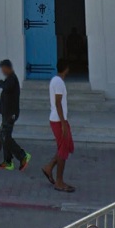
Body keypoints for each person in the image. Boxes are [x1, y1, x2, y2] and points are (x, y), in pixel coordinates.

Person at [41, 61, 75, 192]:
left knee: (66, 146)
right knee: (63, 149)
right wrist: (63, 123)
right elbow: (58, 103)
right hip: (58, 120)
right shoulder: (59, 82)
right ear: (66, 69)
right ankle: (59, 182)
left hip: (59, 119)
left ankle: (49, 167)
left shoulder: (55, 80)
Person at [0, 59, 31, 172]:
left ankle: (22, 155)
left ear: (8, 68)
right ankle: (8, 161)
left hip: (11, 114)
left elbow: (6, 87)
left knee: (6, 137)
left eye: (3, 68)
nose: (2, 71)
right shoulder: (9, 79)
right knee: (5, 136)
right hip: (6, 113)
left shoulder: (12, 79)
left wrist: (0, 83)